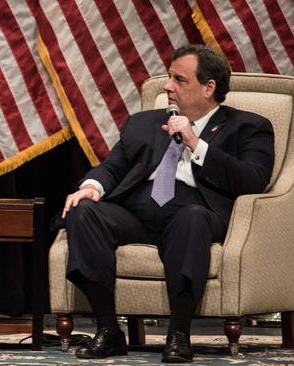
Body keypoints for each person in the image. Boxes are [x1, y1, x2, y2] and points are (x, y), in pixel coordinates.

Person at [60, 44, 274, 363]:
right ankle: (108, 331)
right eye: (169, 77)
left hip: (197, 215)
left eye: (179, 79)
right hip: (137, 215)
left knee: (191, 217)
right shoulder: (144, 123)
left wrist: (194, 142)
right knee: (83, 212)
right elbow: (113, 165)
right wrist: (92, 186)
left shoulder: (249, 126)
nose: (167, 86)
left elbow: (252, 179)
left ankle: (178, 334)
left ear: (208, 88)